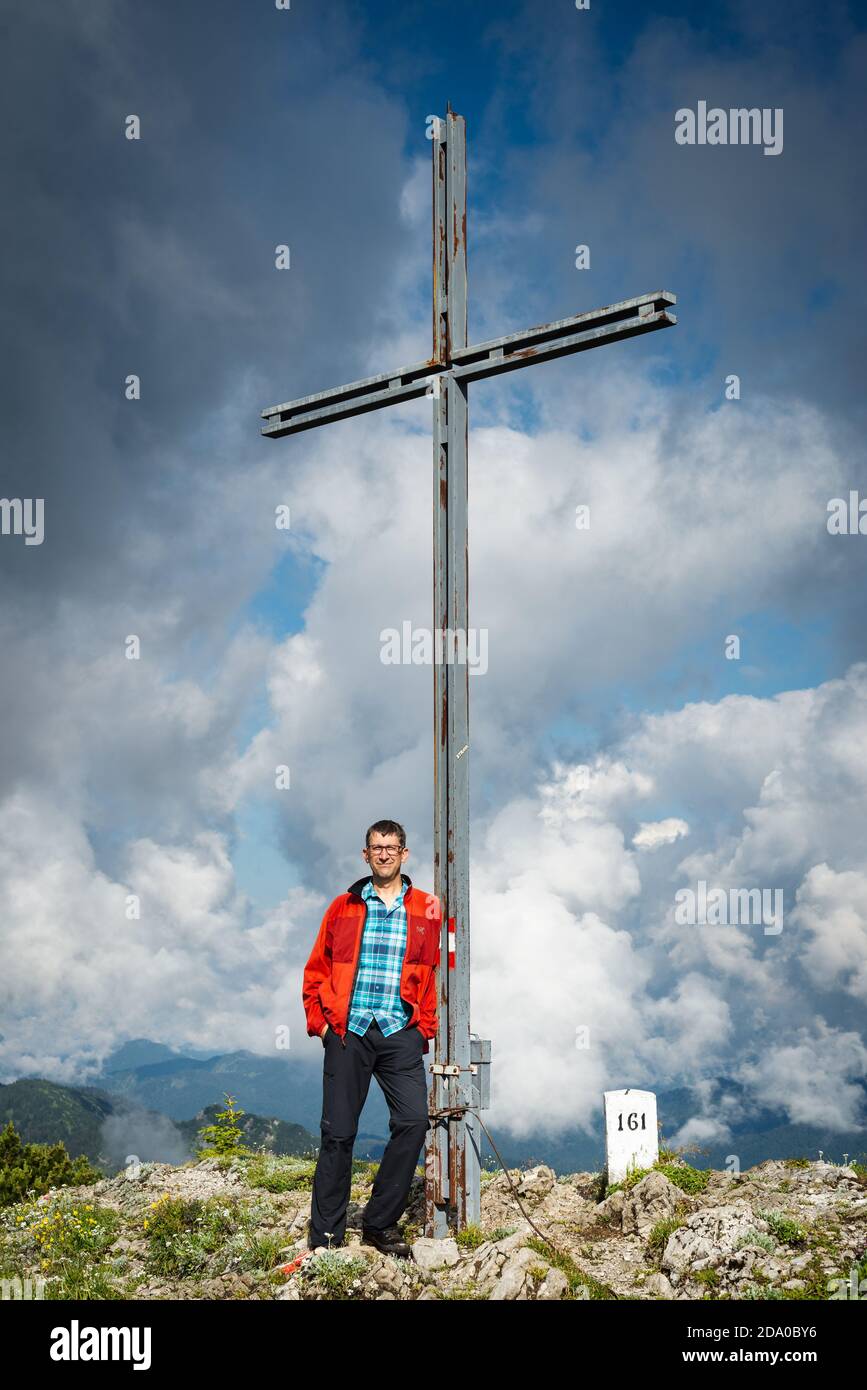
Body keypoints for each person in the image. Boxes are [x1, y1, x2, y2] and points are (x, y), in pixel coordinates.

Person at [302, 819, 441, 1258]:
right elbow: (316, 969)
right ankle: (326, 1238)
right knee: (338, 1134)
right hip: (349, 1032)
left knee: (413, 1121)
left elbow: (436, 971)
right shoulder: (342, 906)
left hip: (400, 1031)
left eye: (391, 847)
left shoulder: (427, 908)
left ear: (404, 854)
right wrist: (322, 1025)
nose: (383, 854)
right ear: (366, 855)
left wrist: (424, 1028)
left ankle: (379, 1224)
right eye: (376, 848)